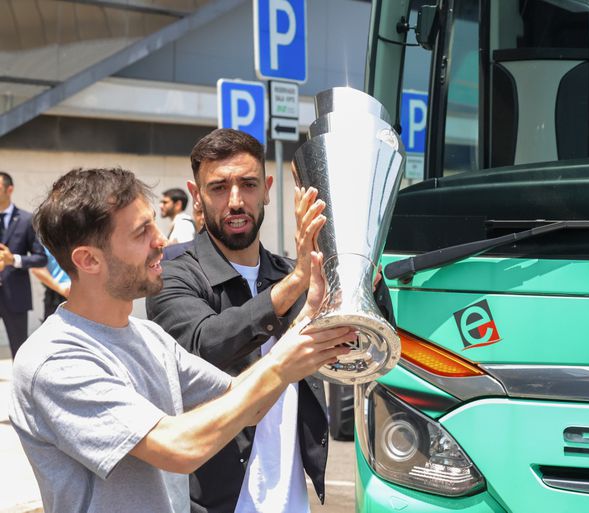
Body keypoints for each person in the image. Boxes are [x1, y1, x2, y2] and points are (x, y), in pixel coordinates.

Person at [8, 167, 354, 513]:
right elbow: (180, 447)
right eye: (142, 232)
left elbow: (245, 404)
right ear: (88, 260)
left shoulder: (149, 337)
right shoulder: (54, 360)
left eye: (154, 223)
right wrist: (282, 365)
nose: (161, 240)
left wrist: (305, 322)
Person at [146, 128, 394, 513]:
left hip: (291, 499)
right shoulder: (174, 274)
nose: (235, 201)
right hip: (212, 503)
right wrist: (295, 283)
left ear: (268, 189)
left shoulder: (293, 274)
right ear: (196, 196)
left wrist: (362, 283)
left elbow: (359, 356)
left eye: (248, 185)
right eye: (218, 187)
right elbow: (203, 344)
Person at [0, 171, 47, 357]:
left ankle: (20, 386)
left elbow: (40, 258)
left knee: (19, 350)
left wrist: (14, 260)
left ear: (9, 190)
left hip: (15, 296)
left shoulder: (27, 220)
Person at [31, 247, 71, 320]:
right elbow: (36, 268)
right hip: (56, 294)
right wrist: (61, 289)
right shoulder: (46, 242)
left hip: (85, 293)